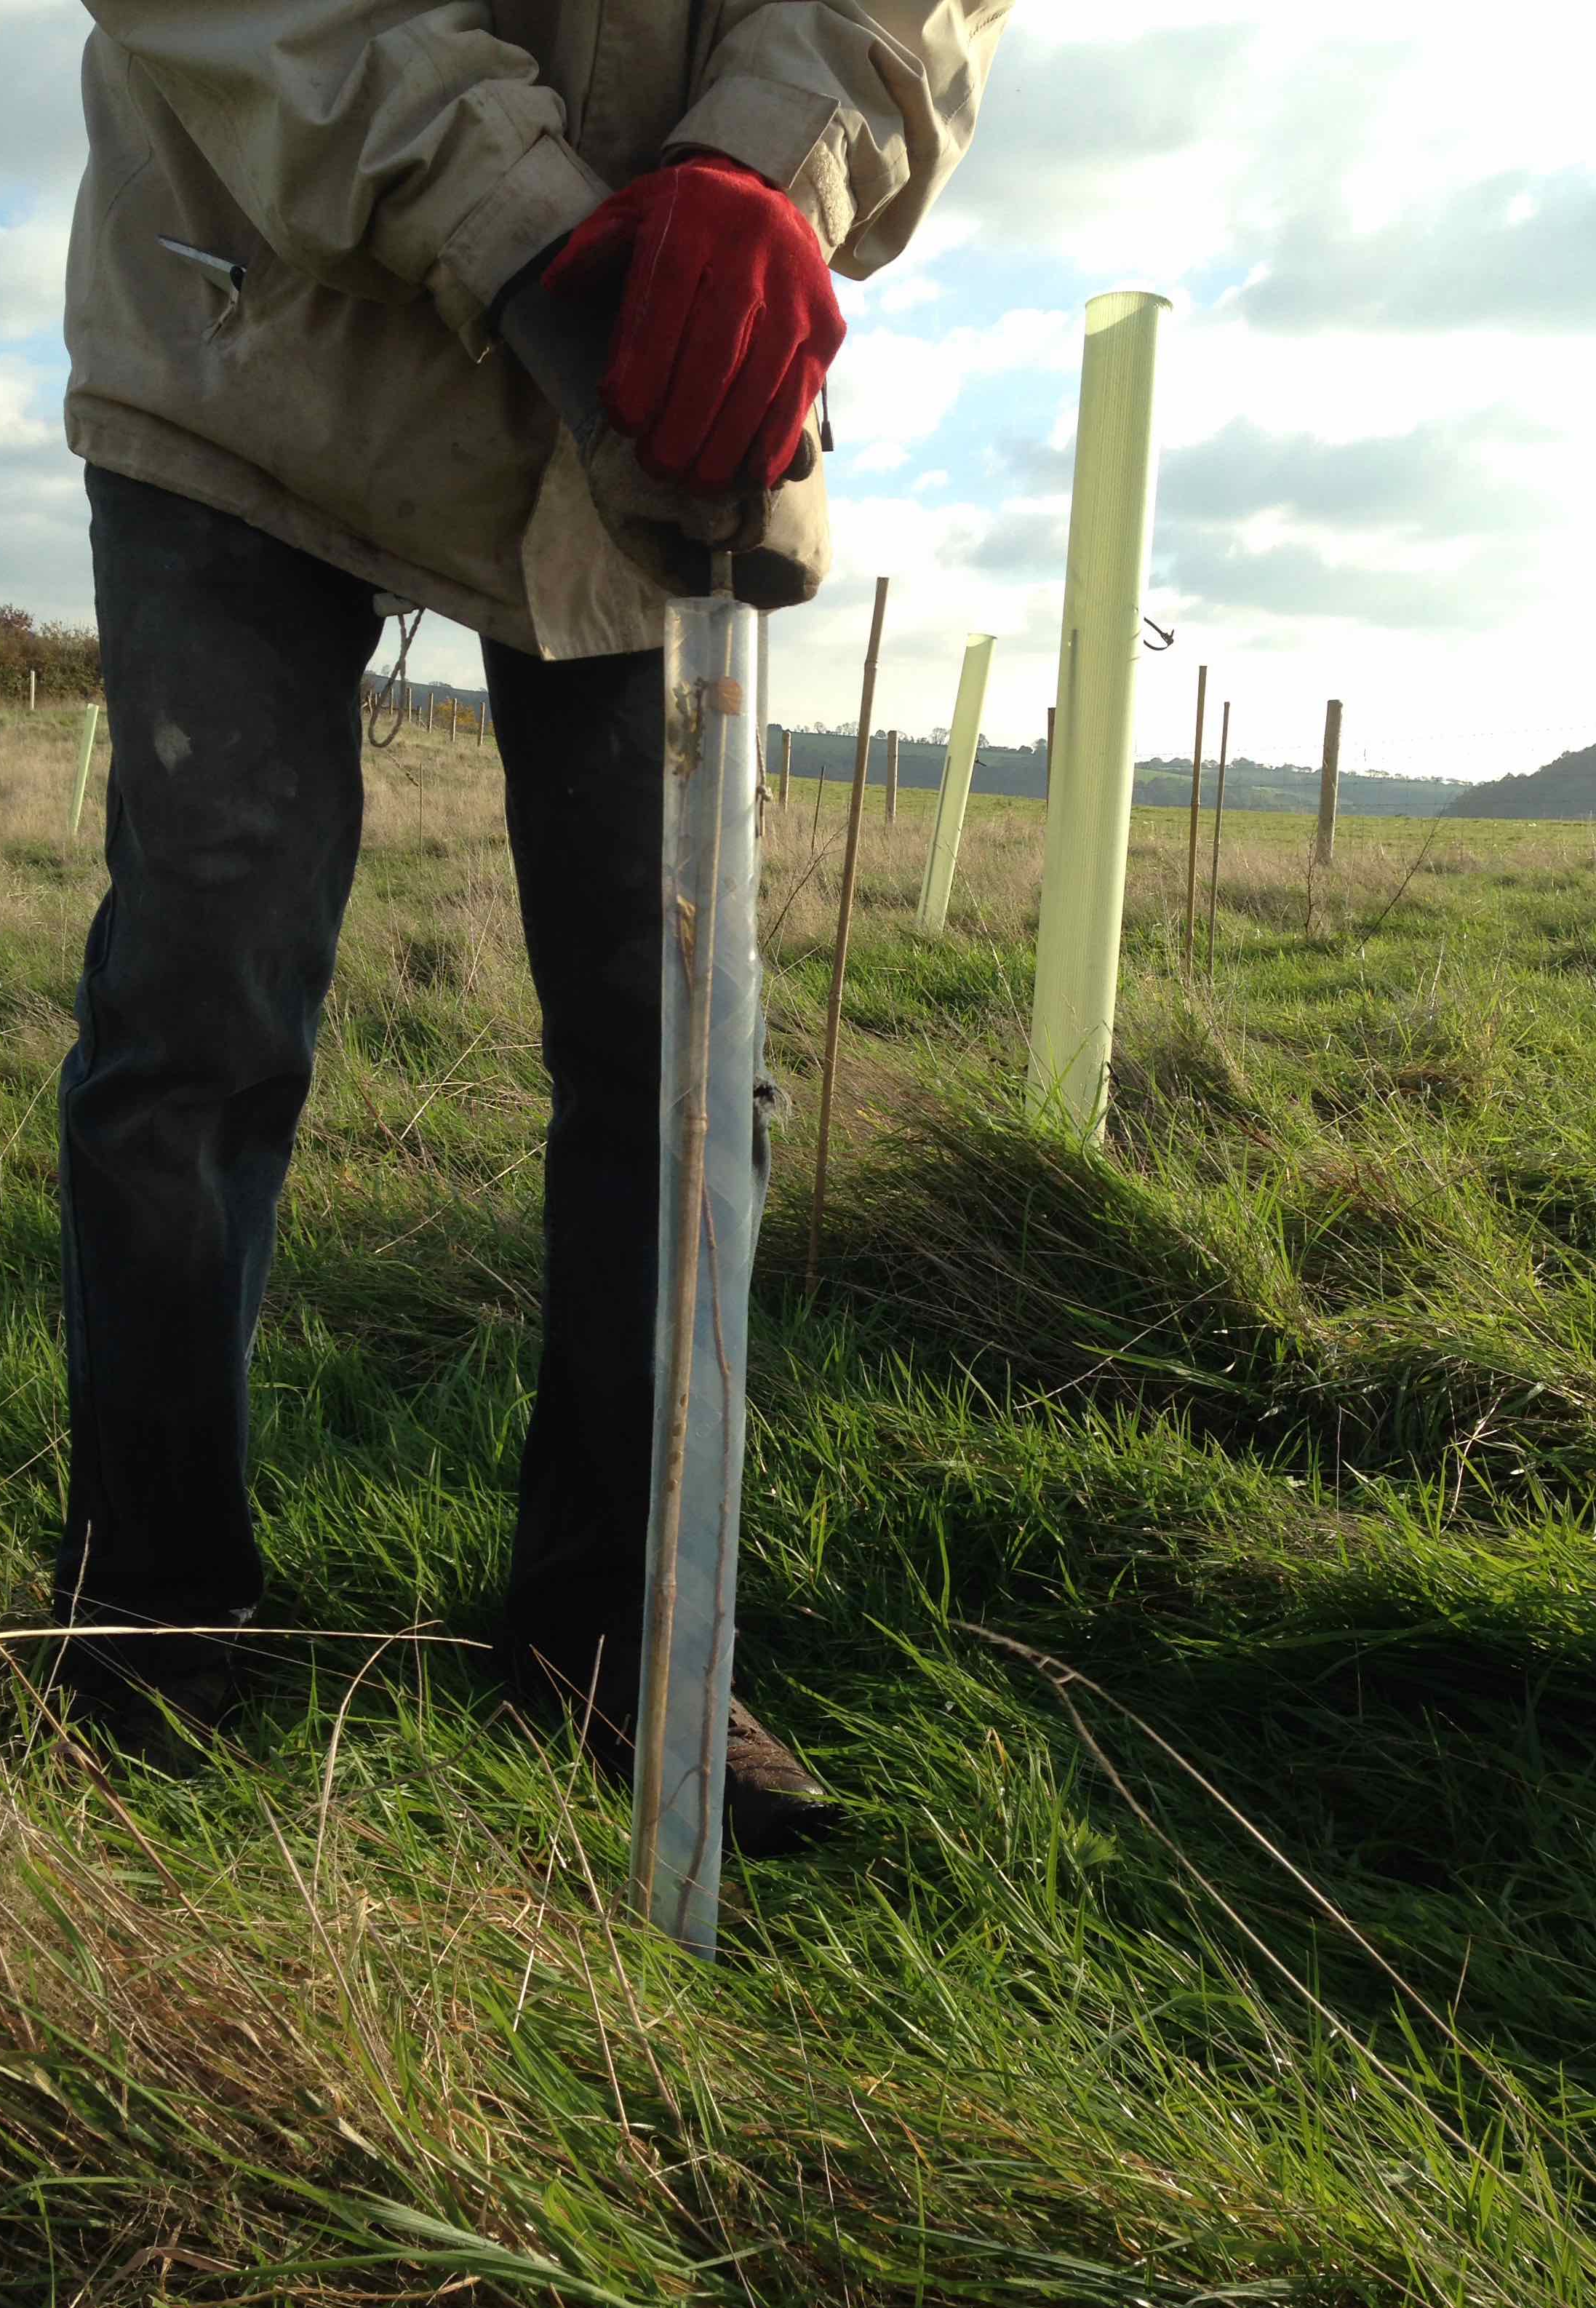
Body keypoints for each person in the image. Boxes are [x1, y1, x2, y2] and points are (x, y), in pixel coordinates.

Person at [53, 2, 1009, 1848]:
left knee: (676, 1050)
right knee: (206, 994)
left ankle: (623, 1637)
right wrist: (514, 218)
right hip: (252, 327)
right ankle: (152, 1621)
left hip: (653, 358)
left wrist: (767, 167)